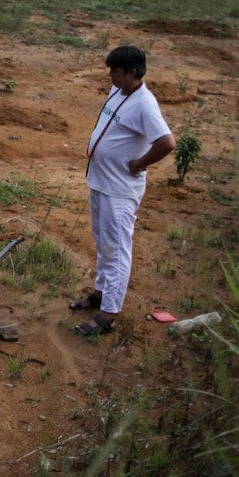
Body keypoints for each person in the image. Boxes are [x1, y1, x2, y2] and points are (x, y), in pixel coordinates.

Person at [71, 45, 175, 337]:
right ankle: (101, 293)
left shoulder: (145, 104)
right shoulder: (118, 91)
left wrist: (140, 163)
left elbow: (167, 142)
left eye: (115, 71)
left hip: (119, 190)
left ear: (132, 73)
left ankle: (108, 314)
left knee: (117, 249)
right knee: (103, 242)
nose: (110, 76)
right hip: (102, 182)